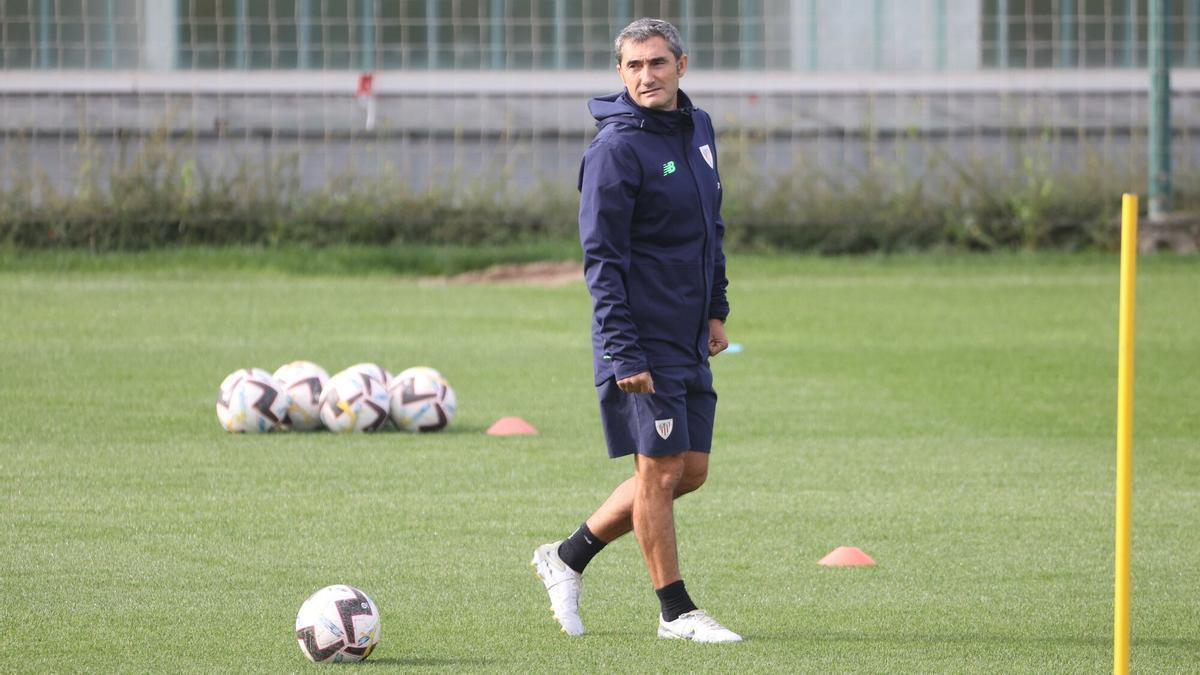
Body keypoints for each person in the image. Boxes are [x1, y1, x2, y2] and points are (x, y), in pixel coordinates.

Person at [531, 17, 740, 644]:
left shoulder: (697, 128)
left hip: (686, 332)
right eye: (633, 67)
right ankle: (675, 611)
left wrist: (716, 307)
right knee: (659, 471)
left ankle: (567, 556)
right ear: (620, 74)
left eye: (656, 63)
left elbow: (711, 224)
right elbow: (603, 260)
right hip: (639, 338)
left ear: (681, 65)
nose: (646, 76)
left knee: (690, 472)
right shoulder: (614, 150)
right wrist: (623, 350)